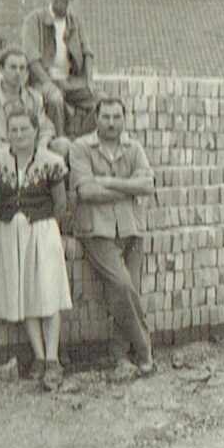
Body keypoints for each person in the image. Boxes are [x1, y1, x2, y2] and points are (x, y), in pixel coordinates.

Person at [0, 106, 72, 392]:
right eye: (14, 129)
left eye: (25, 129)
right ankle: (40, 358)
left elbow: (61, 204)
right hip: (7, 231)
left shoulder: (51, 161)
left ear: (35, 131)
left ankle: (54, 358)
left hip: (42, 230)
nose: (19, 134)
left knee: (48, 291)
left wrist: (42, 225)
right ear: (7, 132)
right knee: (25, 292)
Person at [69, 97, 155, 376]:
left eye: (117, 117)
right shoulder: (81, 147)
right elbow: (86, 192)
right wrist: (128, 189)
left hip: (131, 227)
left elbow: (148, 185)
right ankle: (144, 349)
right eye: (106, 117)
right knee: (121, 285)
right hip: (96, 230)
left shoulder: (134, 148)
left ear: (124, 119)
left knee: (127, 289)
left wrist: (106, 181)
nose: (111, 123)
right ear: (97, 117)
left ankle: (119, 355)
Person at [22, 0, 96, 139]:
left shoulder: (75, 22)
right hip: (42, 81)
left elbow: (87, 52)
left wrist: (89, 80)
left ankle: (81, 142)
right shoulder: (34, 20)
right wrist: (48, 82)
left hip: (71, 81)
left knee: (101, 101)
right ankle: (59, 143)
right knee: (55, 100)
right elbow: (32, 58)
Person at [0, 46, 71, 158]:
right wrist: (8, 147)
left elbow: (46, 128)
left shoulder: (34, 97)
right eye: (13, 67)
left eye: (22, 68)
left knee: (63, 144)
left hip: (32, 151)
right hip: (1, 151)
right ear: (1, 69)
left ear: (27, 72)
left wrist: (42, 145)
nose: (18, 72)